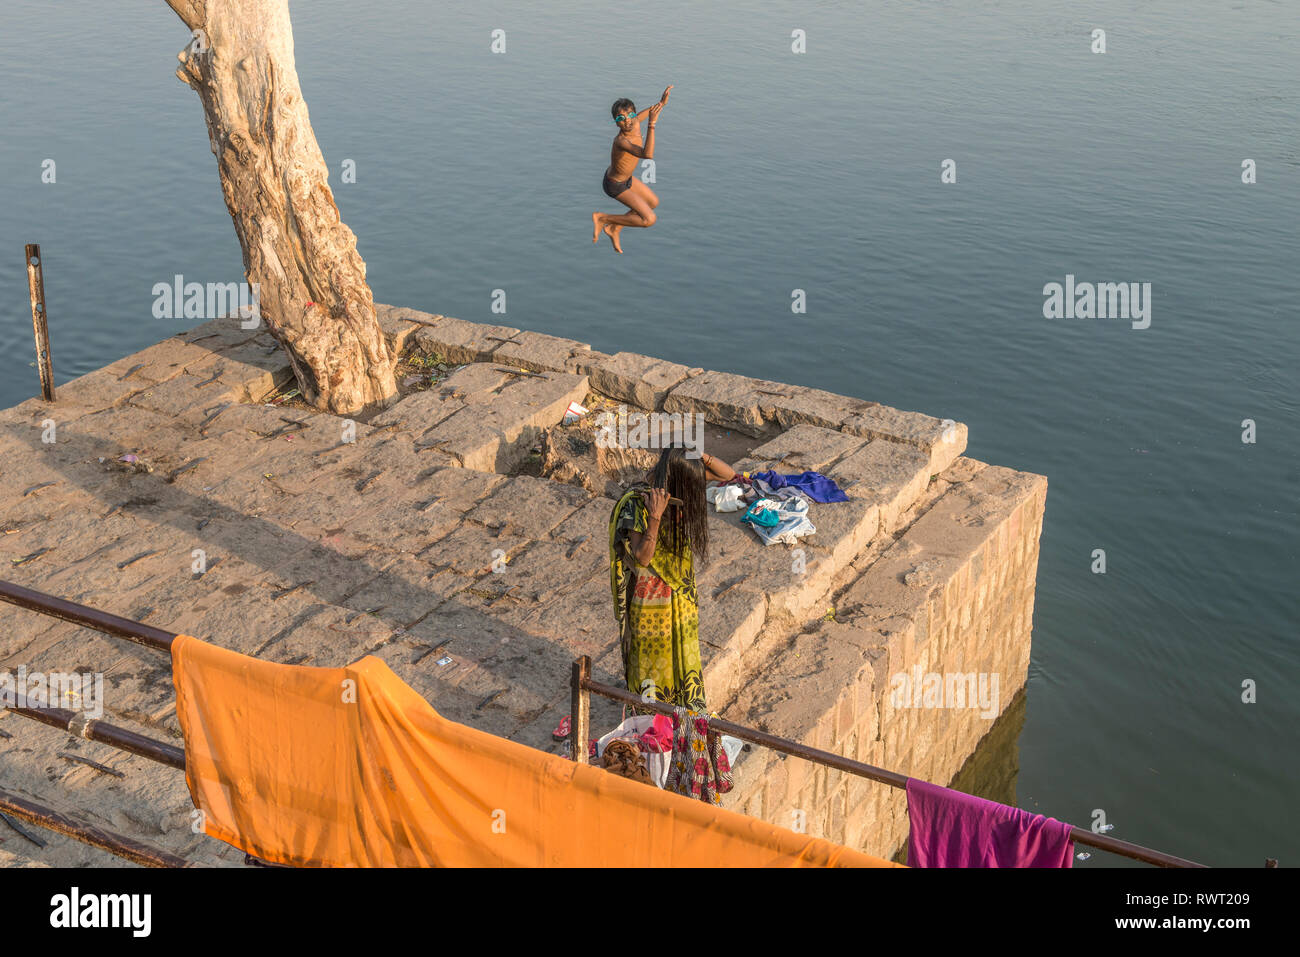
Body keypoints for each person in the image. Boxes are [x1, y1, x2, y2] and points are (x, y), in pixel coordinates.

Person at [608, 446, 738, 711]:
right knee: (652, 658)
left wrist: (698, 456)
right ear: (676, 479)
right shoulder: (637, 501)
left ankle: (680, 712)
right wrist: (655, 516)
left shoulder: (680, 484)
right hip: (649, 599)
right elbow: (643, 557)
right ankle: (650, 716)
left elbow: (729, 474)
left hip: (680, 595)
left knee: (680, 654)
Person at [592, 85, 672, 254]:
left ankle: (615, 228)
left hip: (627, 179)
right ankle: (602, 218)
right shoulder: (621, 141)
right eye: (621, 118)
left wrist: (662, 103)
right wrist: (652, 124)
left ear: (634, 115)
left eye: (630, 115)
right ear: (615, 122)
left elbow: (651, 109)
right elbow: (647, 154)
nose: (627, 121)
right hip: (615, 184)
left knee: (653, 202)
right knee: (649, 219)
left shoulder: (634, 122)